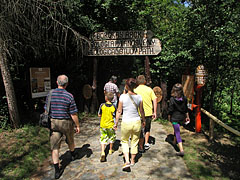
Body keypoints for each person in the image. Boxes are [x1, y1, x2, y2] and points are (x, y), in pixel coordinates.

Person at [44, 75, 80, 179]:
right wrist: (77, 125)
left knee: (55, 147)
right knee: (70, 139)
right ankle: (73, 154)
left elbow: (46, 109)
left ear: (57, 82)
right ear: (67, 84)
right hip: (66, 122)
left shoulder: (50, 94)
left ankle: (57, 170)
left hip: (53, 122)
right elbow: (73, 113)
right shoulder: (69, 96)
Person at [114, 78, 145, 171]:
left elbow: (119, 111)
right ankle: (132, 161)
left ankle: (127, 161)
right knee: (134, 141)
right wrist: (143, 120)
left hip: (126, 122)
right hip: (136, 122)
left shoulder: (122, 97)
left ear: (126, 86)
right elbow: (141, 111)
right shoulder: (139, 97)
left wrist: (115, 122)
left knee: (124, 141)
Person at [134, 75, 157, 152]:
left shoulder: (135, 90)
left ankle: (140, 146)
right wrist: (155, 111)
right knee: (147, 128)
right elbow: (155, 99)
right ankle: (146, 143)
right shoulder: (149, 90)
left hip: (138, 113)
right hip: (148, 112)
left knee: (139, 130)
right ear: (144, 81)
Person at [168, 83, 190, 157]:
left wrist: (169, 116)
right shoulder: (184, 98)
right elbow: (186, 109)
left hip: (175, 118)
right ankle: (174, 142)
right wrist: (187, 117)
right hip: (182, 118)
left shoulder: (172, 99)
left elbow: (170, 110)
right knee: (176, 129)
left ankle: (181, 150)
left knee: (177, 132)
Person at [98, 92, 116, 162]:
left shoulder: (102, 105)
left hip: (103, 125)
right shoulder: (113, 106)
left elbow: (99, 114)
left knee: (103, 138)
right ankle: (110, 150)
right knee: (112, 136)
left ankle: (103, 152)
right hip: (111, 125)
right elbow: (114, 115)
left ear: (106, 98)